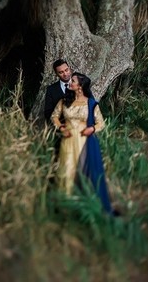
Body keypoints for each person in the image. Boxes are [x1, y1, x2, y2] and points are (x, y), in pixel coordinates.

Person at [50, 72, 114, 214]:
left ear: (80, 86)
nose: (70, 83)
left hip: (84, 142)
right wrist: (61, 127)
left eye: (73, 81)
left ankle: (84, 204)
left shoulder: (91, 104)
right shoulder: (64, 101)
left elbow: (101, 123)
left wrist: (91, 129)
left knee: (84, 172)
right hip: (67, 140)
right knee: (66, 170)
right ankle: (64, 205)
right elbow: (54, 116)